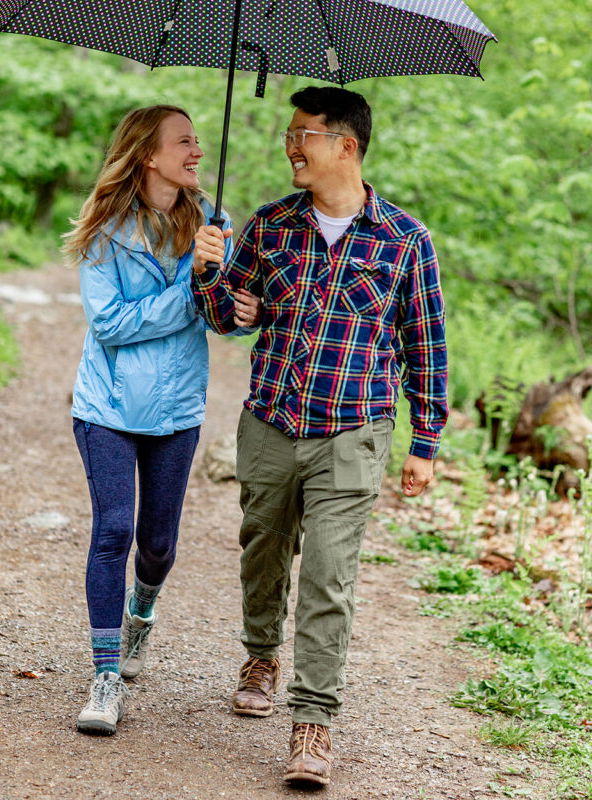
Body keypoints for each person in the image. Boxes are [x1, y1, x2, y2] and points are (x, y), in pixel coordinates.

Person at [192, 86, 448, 787]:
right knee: (263, 548)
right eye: (288, 133)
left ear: (346, 145)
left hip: (353, 432)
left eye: (302, 133)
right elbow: (226, 316)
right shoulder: (271, 226)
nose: (290, 146)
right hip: (271, 421)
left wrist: (424, 441)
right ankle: (260, 654)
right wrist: (208, 271)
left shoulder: (405, 241)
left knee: (330, 576)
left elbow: (425, 346)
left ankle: (313, 722)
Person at [63, 104, 261, 736]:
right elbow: (110, 324)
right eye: (184, 141)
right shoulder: (105, 231)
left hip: (176, 409)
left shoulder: (213, 221)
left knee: (158, 544)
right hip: (108, 407)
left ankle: (140, 613)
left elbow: (220, 322)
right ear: (149, 155)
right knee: (113, 532)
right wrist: (189, 287)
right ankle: (105, 676)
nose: (197, 151)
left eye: (199, 141)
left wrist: (235, 299)